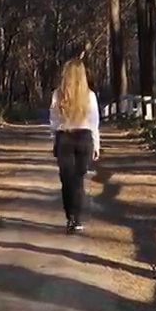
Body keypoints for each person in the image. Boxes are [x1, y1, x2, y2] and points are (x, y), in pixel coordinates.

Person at [48, 58, 100, 233]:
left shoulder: (57, 95)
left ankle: (71, 216)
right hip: (84, 138)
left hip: (65, 137)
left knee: (66, 180)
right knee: (78, 180)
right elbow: (94, 123)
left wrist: (54, 141)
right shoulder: (90, 96)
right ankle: (76, 218)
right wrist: (96, 145)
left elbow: (54, 121)